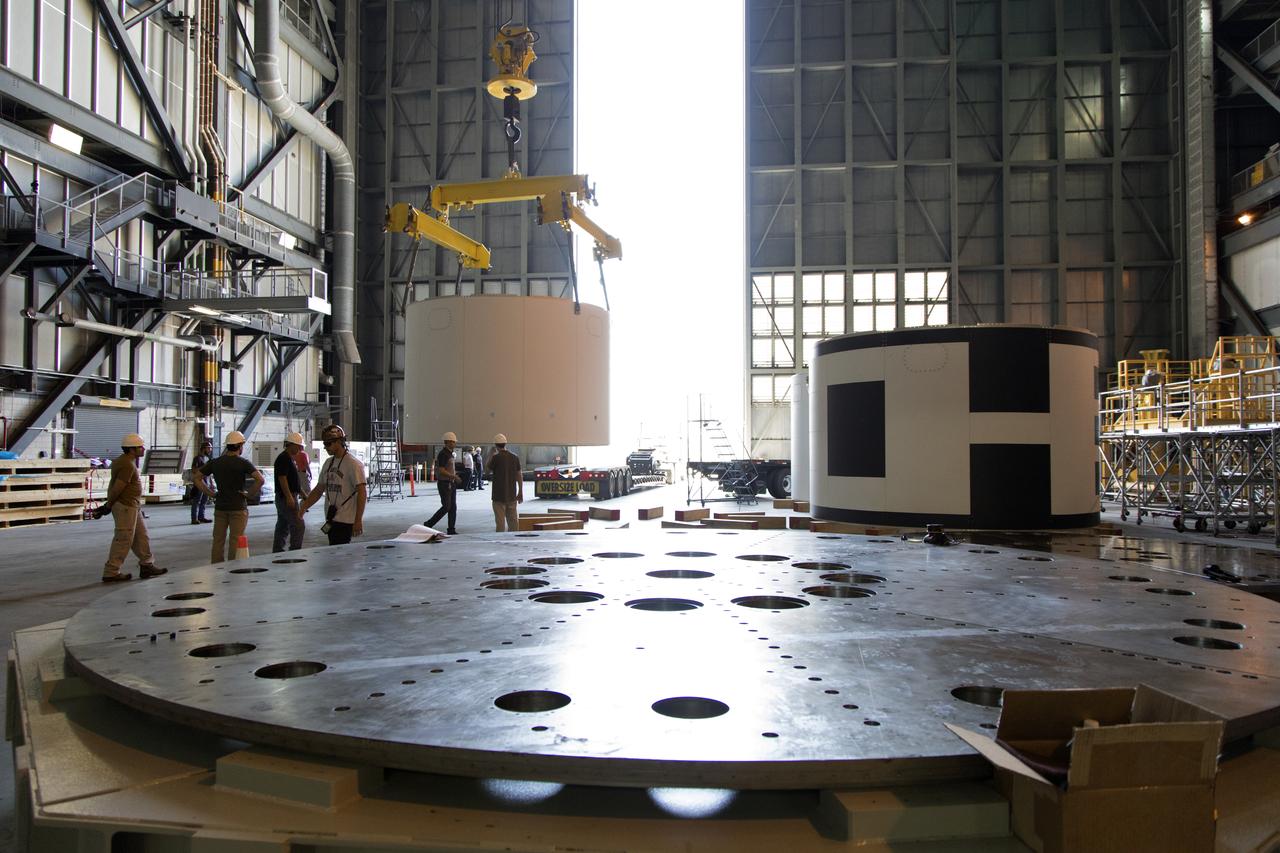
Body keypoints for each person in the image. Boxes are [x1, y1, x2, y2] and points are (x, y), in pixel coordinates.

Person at [98, 433, 167, 582]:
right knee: (123, 538)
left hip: (132, 505)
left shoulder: (124, 461)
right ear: (131, 449)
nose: (143, 449)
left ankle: (147, 565)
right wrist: (108, 505)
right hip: (125, 506)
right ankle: (111, 571)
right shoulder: (127, 465)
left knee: (141, 536)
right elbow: (118, 487)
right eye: (140, 447)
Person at [194, 430, 264, 563]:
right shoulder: (243, 462)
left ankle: (216, 567)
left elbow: (197, 478)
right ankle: (233, 567)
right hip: (238, 507)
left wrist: (210, 493)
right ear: (240, 446)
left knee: (218, 540)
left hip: (220, 507)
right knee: (236, 540)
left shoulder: (215, 462)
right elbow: (260, 479)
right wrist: (249, 494)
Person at [301, 424, 367, 545]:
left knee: (341, 553)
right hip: (331, 518)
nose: (326, 447)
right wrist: (303, 508)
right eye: (324, 444)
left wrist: (358, 520)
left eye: (328, 444)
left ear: (339, 442)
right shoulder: (328, 463)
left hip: (346, 520)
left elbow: (362, 492)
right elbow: (319, 490)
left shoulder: (353, 464)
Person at [273, 432, 307, 552]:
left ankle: (277, 551)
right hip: (285, 497)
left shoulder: (290, 459)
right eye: (299, 446)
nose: (300, 449)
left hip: (287, 496)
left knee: (283, 526)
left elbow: (294, 482)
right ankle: (295, 551)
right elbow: (282, 478)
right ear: (291, 445)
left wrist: (303, 495)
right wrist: (289, 497)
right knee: (298, 525)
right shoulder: (284, 458)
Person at [486, 434, 523, 532]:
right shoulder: (515, 457)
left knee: (500, 523)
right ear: (505, 444)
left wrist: (490, 455)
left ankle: (501, 540)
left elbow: (487, 471)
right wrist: (520, 491)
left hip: (498, 496)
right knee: (513, 522)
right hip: (511, 495)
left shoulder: (496, 458)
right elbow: (519, 475)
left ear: (495, 445)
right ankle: (514, 539)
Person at [426, 431, 461, 534]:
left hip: (451, 483)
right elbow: (441, 470)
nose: (454, 443)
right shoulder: (443, 454)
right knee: (446, 506)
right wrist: (453, 476)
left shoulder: (450, 453)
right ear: (447, 442)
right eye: (453, 442)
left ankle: (451, 529)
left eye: (454, 442)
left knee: (453, 507)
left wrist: (454, 475)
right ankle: (429, 524)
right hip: (445, 484)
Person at [190, 438, 213, 524]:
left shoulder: (207, 458)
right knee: (196, 501)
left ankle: (201, 517)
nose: (210, 450)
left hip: (206, 482)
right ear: (204, 448)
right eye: (209, 448)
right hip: (199, 483)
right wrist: (205, 466)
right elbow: (194, 470)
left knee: (204, 501)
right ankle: (194, 518)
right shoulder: (197, 458)